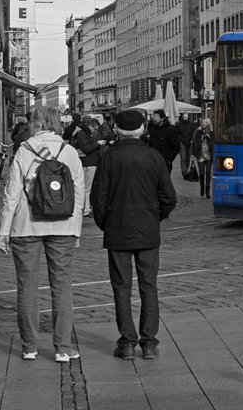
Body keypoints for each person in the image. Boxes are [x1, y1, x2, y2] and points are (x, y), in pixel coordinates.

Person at [0, 106, 85, 363]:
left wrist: (4, 230)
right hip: (63, 227)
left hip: (26, 227)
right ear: (58, 123)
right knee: (62, 287)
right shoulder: (69, 152)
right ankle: (63, 348)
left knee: (27, 287)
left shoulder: (24, 150)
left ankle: (30, 347)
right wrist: (76, 229)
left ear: (35, 123)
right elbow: (79, 195)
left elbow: (11, 194)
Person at [90, 109, 176, 360]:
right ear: (142, 129)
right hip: (147, 228)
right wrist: (154, 216)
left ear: (117, 129)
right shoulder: (153, 156)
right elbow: (169, 198)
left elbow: (98, 198)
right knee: (149, 286)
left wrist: (106, 222)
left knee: (121, 287)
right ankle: (149, 342)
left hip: (117, 227)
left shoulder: (109, 157)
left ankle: (127, 342)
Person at [78, 117, 103, 216]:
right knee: (87, 188)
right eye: (94, 128)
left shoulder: (84, 134)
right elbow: (86, 148)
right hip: (88, 163)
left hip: (90, 162)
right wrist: (97, 144)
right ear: (90, 126)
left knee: (87, 187)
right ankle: (86, 209)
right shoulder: (82, 135)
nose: (95, 131)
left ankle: (86, 208)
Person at [195, 118, 214, 198]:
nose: (203, 124)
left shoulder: (212, 132)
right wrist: (193, 154)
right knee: (202, 173)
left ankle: (208, 191)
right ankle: (202, 187)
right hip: (201, 155)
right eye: (202, 122)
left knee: (208, 173)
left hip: (209, 155)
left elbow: (213, 143)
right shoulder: (197, 132)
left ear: (208, 124)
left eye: (205, 123)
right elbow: (194, 142)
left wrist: (208, 137)